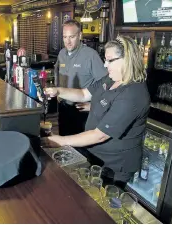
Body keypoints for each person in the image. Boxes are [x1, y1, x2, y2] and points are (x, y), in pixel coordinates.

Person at [42, 35, 150, 183]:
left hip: (114, 166)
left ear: (128, 60)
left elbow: (100, 135)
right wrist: (57, 91)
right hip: (94, 154)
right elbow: (83, 94)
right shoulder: (111, 79)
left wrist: (61, 141)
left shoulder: (133, 94)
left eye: (110, 60)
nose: (105, 65)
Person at [55, 20, 107, 136]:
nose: (67, 41)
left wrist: (94, 106)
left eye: (71, 37)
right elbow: (58, 74)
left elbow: (106, 83)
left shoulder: (91, 55)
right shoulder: (62, 54)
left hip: (81, 110)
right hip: (63, 108)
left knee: (81, 148)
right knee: (64, 142)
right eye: (65, 37)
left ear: (80, 35)